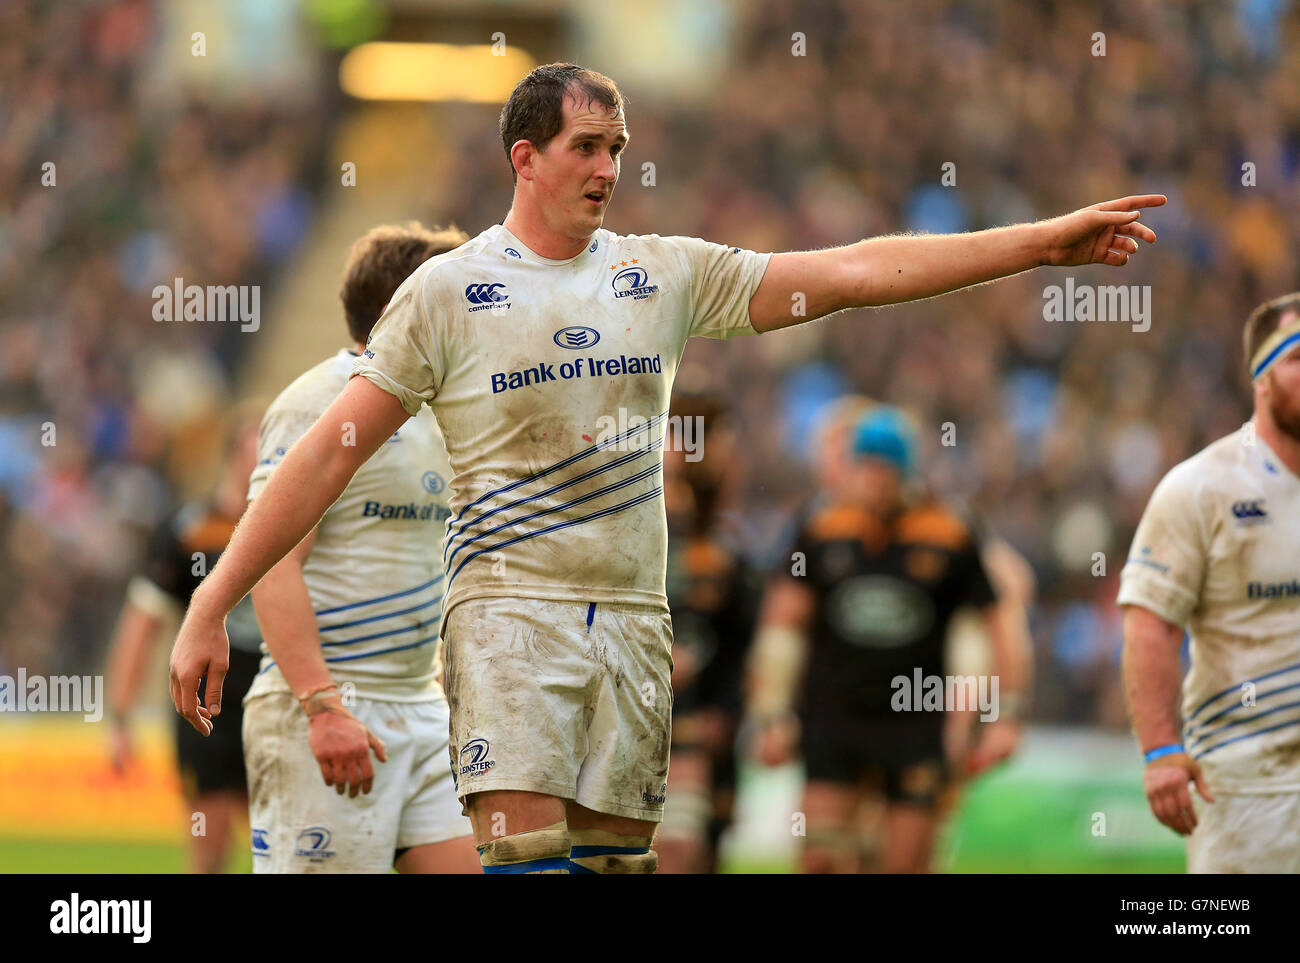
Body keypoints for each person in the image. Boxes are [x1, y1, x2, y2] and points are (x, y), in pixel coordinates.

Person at [168, 62, 1161, 874]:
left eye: (617, 150)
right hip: (512, 615)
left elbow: (851, 273)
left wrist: (1035, 245)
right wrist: (214, 605)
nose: (607, 168)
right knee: (524, 862)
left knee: (617, 866)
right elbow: (321, 461)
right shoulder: (450, 293)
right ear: (526, 157)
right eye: (585, 148)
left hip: (635, 621)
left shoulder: (664, 274)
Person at [242, 222, 479, 873]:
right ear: (405, 309)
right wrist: (322, 705)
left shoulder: (443, 409)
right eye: (454, 297)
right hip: (329, 709)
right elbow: (272, 563)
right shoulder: (320, 403)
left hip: (423, 710)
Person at [748, 405, 1029, 873]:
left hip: (915, 725)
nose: (874, 481)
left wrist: (1005, 715)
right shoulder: (821, 528)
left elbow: (1000, 622)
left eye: (885, 470)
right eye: (866, 467)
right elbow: (782, 624)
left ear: (905, 472)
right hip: (834, 719)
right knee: (818, 858)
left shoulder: (949, 531)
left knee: (900, 864)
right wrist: (772, 713)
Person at [1119, 292, 1300, 873]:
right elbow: (1150, 625)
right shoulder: (1201, 487)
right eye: (1298, 358)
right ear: (1261, 378)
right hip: (1248, 783)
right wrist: (1162, 751)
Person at [105, 408, 263, 873]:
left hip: (276, 705)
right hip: (206, 712)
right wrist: (119, 717)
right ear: (234, 455)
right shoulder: (188, 530)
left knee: (286, 850)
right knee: (207, 850)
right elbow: (142, 623)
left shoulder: (301, 528)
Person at [656, 388, 763, 873]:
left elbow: (744, 645)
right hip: (625, 719)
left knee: (691, 848)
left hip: (698, 726)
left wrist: (729, 710)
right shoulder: (626, 531)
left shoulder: (726, 552)